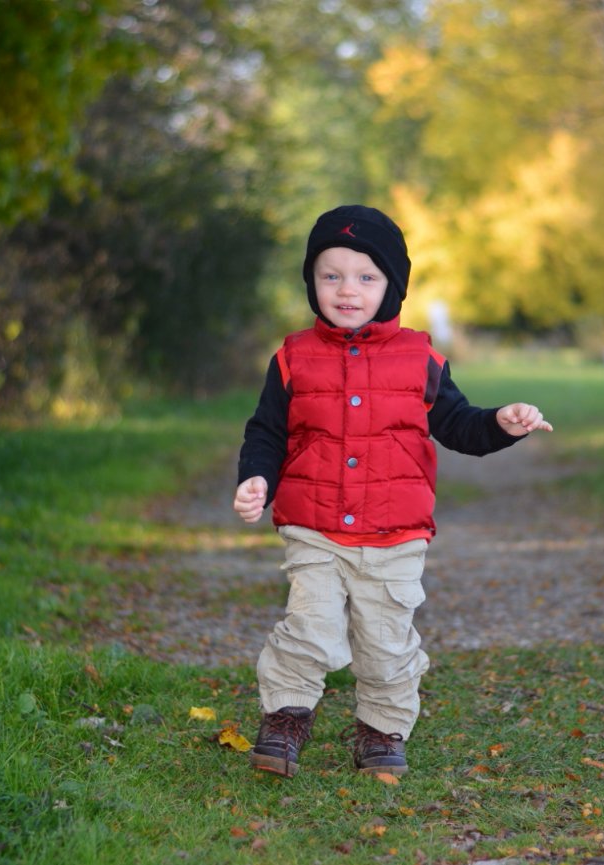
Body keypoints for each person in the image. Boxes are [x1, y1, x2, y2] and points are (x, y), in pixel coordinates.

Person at [233, 204, 553, 778]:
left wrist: (501, 423)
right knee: (309, 627)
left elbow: (459, 426)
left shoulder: (420, 359)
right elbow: (267, 432)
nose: (346, 289)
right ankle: (285, 717)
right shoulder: (292, 358)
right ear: (311, 282)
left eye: (366, 276)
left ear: (392, 286)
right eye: (331, 275)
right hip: (313, 526)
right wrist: (257, 477)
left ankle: (382, 729)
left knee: (385, 642)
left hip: (395, 533)